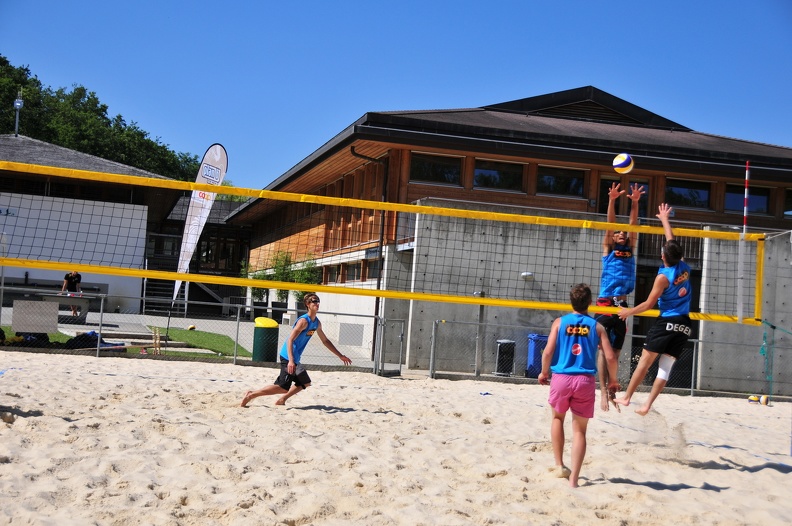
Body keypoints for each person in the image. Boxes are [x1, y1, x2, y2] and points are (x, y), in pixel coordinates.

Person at [538, 283, 619, 488]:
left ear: (571, 302)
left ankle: (559, 466)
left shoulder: (559, 322)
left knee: (557, 418)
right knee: (580, 432)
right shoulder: (597, 326)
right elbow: (610, 357)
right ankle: (574, 480)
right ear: (590, 304)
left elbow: (547, 351)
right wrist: (614, 380)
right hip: (585, 381)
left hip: (561, 378)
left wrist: (544, 372)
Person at [614, 203, 692, 416]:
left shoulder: (662, 277)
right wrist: (665, 219)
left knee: (645, 363)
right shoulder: (683, 265)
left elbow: (648, 305)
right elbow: (671, 241)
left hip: (667, 321)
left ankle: (628, 397)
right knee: (664, 368)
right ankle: (647, 404)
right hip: (685, 324)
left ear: (663, 256)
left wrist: (628, 312)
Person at [241, 293, 352, 407]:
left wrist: (340, 355)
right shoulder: (303, 321)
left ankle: (282, 400)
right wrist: (291, 360)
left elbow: (325, 341)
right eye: (314, 301)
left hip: (295, 357)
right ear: (307, 304)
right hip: (288, 356)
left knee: (305, 382)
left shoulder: (316, 322)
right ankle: (251, 395)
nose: (317, 303)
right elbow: (290, 340)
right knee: (282, 387)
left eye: (318, 301)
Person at [596, 182, 644, 411]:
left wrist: (635, 203)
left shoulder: (630, 250)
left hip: (623, 306)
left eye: (623, 233)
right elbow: (610, 224)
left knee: (615, 353)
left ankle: (613, 390)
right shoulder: (608, 248)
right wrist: (612, 200)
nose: (621, 233)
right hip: (606, 303)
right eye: (618, 233)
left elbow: (633, 225)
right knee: (602, 351)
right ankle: (603, 392)